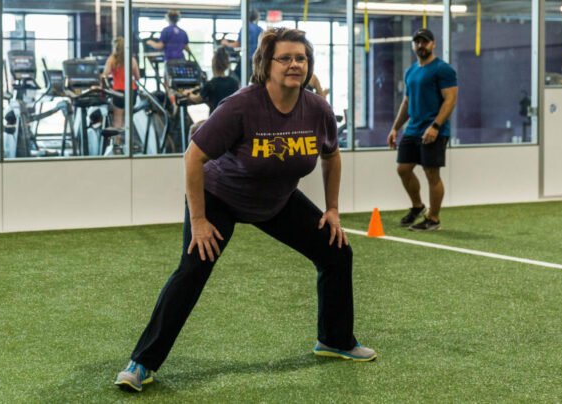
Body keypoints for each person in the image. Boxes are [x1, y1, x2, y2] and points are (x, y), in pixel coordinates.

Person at [115, 27, 376, 393]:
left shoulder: (316, 109)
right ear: (265, 64)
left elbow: (331, 155)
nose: (294, 64)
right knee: (193, 269)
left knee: (336, 251)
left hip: (276, 199)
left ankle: (335, 340)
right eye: (284, 58)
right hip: (219, 196)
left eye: (300, 58)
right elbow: (193, 157)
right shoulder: (241, 106)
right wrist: (200, 219)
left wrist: (332, 209)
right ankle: (142, 362)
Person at [386, 28, 458, 232]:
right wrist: (395, 128)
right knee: (403, 169)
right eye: (417, 42)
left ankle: (433, 219)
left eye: (425, 42)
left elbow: (450, 99)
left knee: (431, 174)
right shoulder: (411, 71)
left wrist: (435, 126)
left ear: (433, 44)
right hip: (413, 129)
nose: (421, 45)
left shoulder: (443, 69)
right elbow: (406, 102)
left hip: (434, 130)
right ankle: (418, 207)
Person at [179, 46, 240, 115]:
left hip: (215, 121)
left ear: (213, 64)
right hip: (230, 119)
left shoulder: (211, 84)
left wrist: (188, 94)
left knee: (194, 126)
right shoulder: (234, 82)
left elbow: (197, 99)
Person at [102, 37, 141, 131]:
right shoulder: (132, 60)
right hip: (132, 91)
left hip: (118, 92)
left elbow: (104, 75)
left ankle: (118, 143)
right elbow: (138, 77)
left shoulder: (112, 59)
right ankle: (129, 143)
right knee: (128, 120)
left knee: (118, 120)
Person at [221, 9, 264, 80]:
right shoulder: (260, 29)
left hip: (247, 59)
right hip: (258, 59)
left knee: (236, 76)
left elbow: (237, 44)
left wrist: (226, 43)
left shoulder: (245, 28)